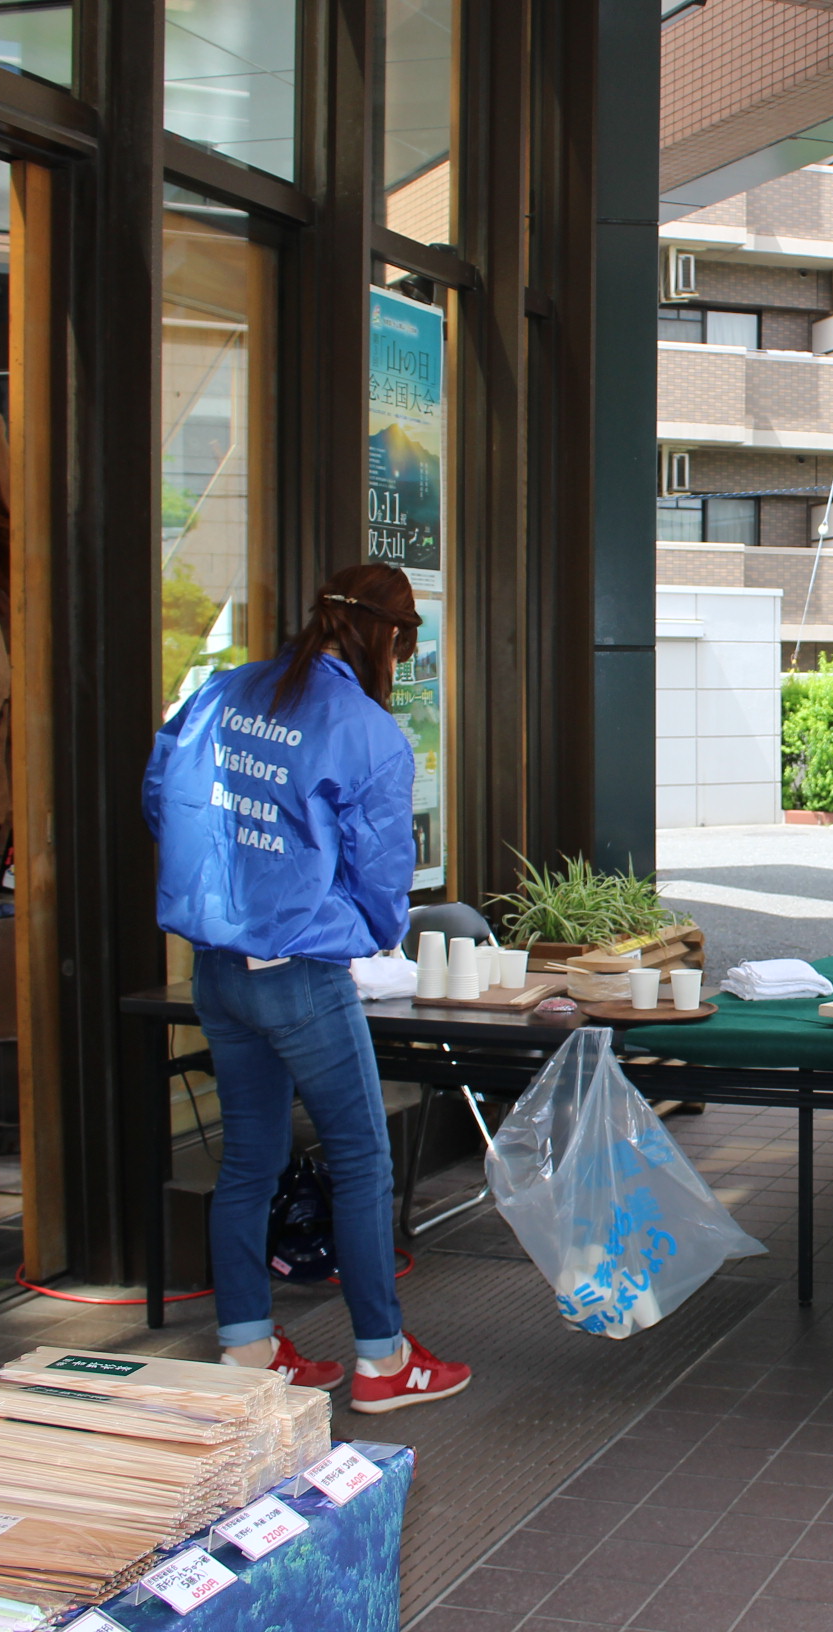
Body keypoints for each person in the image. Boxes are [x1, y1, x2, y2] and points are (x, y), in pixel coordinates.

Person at [143, 563, 471, 1412]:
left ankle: (248, 1353)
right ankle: (381, 1359)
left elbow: (160, 794)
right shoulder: (365, 731)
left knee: (248, 1160)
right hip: (301, 976)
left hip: (215, 971)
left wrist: (227, 880)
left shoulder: (223, 692)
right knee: (361, 1158)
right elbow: (383, 872)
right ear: (391, 640)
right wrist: (359, 938)